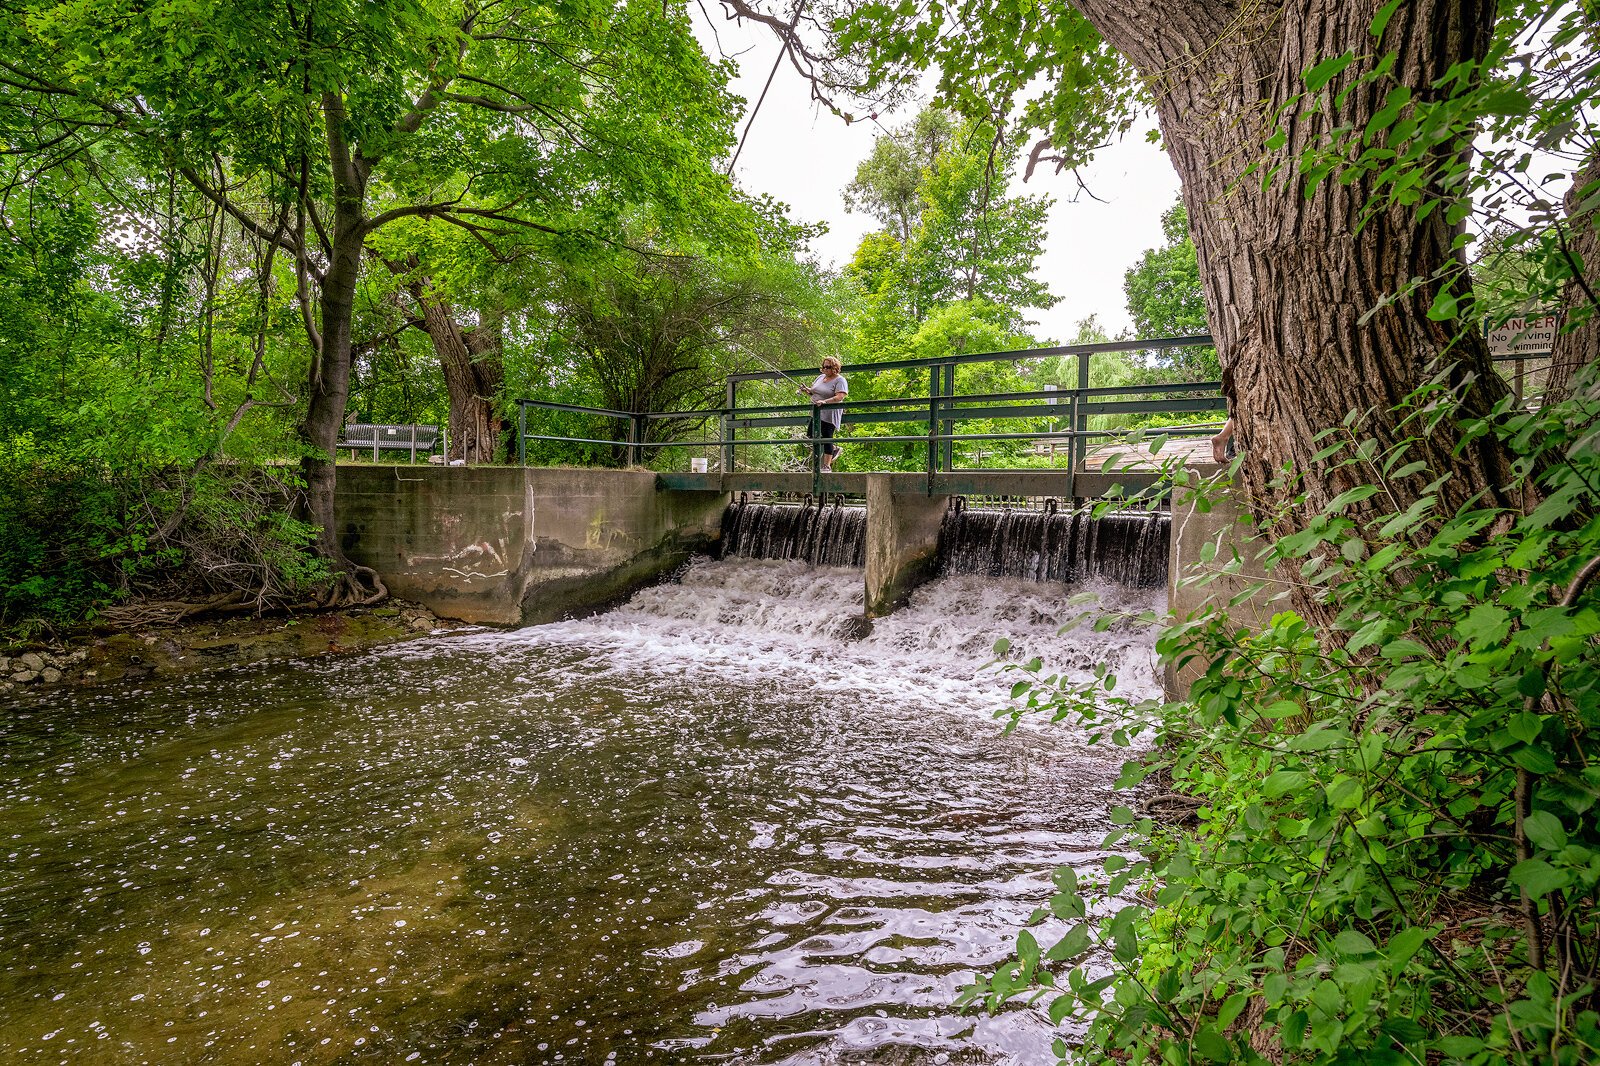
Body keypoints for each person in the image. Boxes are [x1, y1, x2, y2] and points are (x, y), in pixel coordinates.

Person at [798, 357, 848, 471]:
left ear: (835, 368)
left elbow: (840, 397)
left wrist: (825, 402)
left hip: (830, 412)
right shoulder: (820, 377)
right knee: (811, 435)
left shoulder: (840, 380)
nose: (825, 369)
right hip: (817, 412)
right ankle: (834, 448)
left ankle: (826, 466)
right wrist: (807, 390)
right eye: (824, 366)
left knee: (826, 438)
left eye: (828, 367)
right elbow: (815, 393)